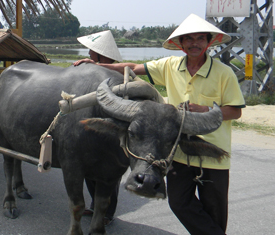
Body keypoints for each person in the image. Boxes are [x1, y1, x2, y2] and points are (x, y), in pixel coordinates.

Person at [74, 13, 245, 235]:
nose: (195, 43)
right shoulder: (170, 66)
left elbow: (236, 111)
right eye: (189, 39)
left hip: (212, 154)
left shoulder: (224, 73)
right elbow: (134, 68)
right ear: (181, 44)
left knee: (214, 211)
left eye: (200, 38)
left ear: (209, 42)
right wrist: (97, 65)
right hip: (176, 150)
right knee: (179, 202)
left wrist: (204, 110)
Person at [75, 30, 123, 226]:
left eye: (91, 52)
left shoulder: (118, 73)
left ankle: (107, 213)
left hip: (111, 131)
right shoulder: (93, 70)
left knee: (109, 172)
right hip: (91, 124)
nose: (88, 55)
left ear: (100, 55)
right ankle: (95, 205)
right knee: (89, 168)